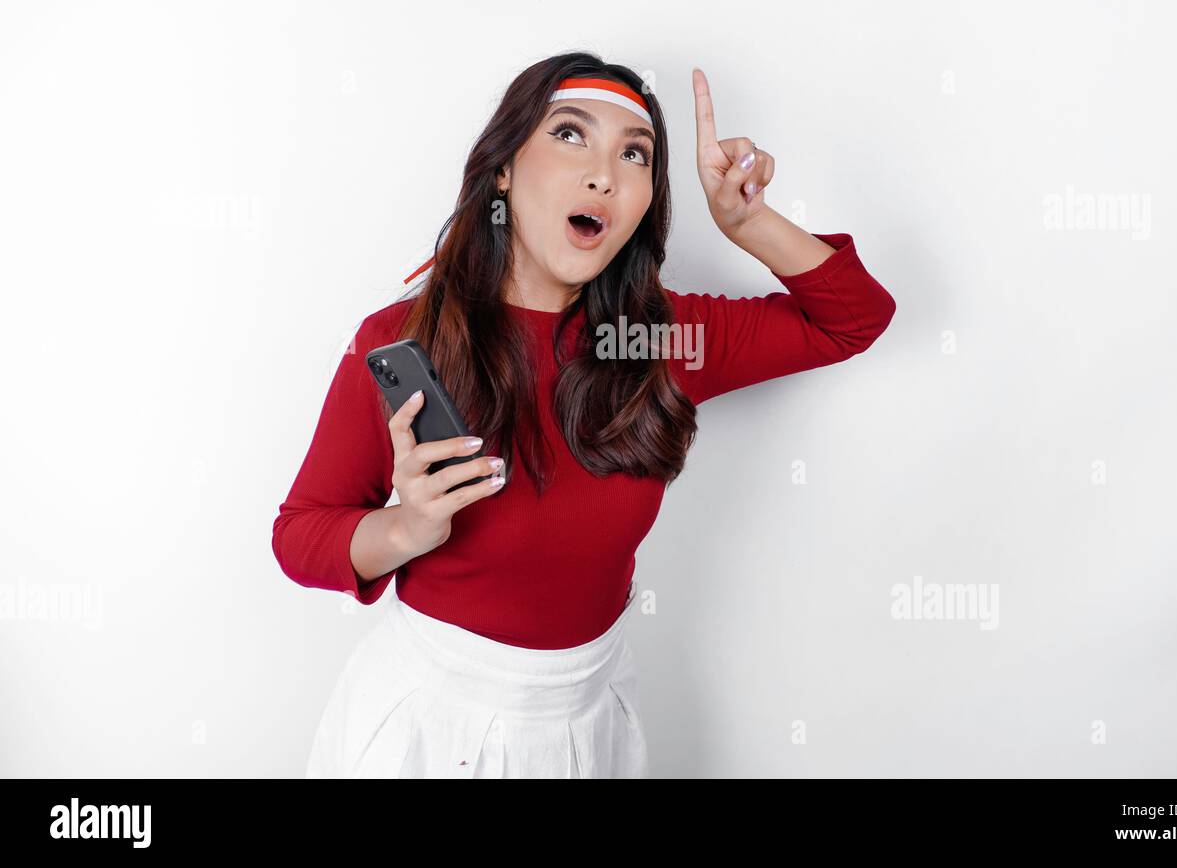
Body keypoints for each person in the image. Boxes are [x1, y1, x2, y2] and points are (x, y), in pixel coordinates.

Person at [271, 52, 898, 778]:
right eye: (571, 135)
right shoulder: (402, 341)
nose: (605, 172)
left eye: (635, 154)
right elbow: (299, 536)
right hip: (426, 720)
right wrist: (406, 528)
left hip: (588, 722)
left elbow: (852, 320)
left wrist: (748, 223)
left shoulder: (662, 340)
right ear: (503, 168)